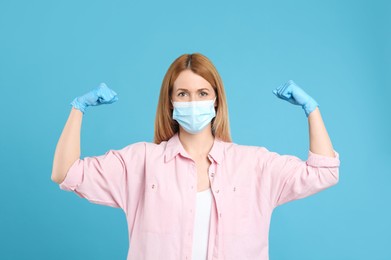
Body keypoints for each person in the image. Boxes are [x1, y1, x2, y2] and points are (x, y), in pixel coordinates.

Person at [51, 53, 340, 260]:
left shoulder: (254, 165)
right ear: (170, 102)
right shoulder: (142, 162)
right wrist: (78, 108)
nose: (193, 102)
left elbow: (323, 172)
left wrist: (312, 110)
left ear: (216, 100)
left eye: (202, 93)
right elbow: (66, 173)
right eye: (183, 94)